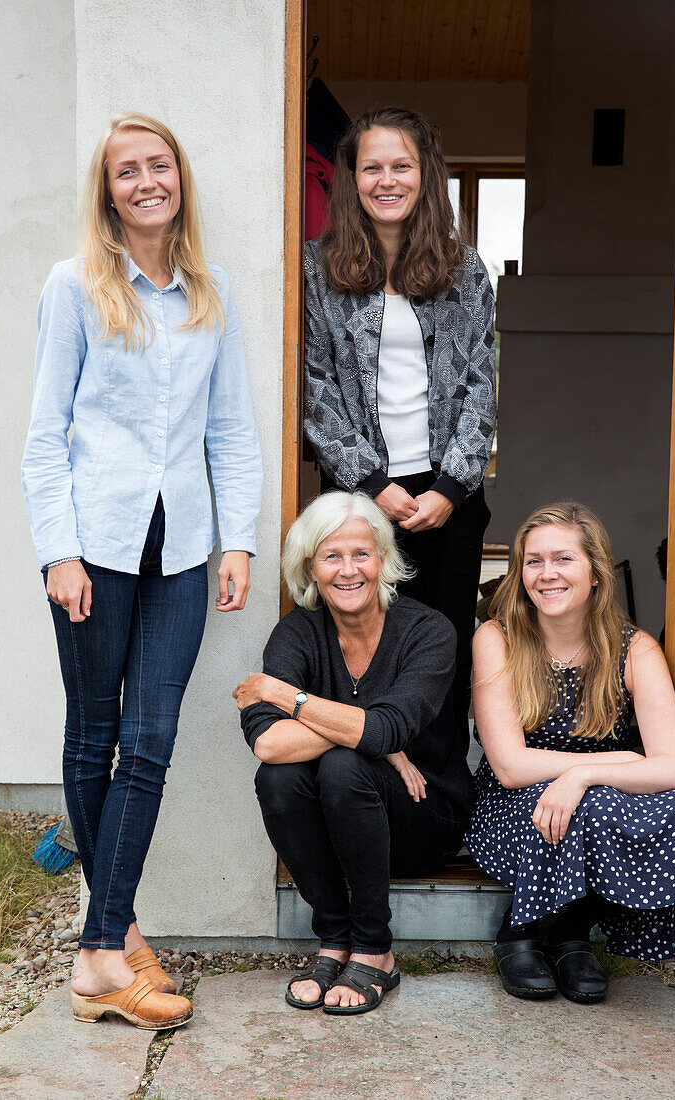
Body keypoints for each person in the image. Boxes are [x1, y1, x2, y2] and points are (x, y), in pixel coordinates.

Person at [21, 113, 262, 1028]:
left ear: (180, 180)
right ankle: (109, 949)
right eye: (128, 170)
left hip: (182, 550)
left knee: (150, 736)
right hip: (94, 546)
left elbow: (231, 429)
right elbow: (45, 436)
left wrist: (234, 539)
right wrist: (59, 552)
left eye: (159, 165)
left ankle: (102, 943)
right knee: (96, 735)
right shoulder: (74, 286)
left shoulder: (211, 291)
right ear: (109, 190)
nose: (146, 181)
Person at [233, 491, 473, 1015]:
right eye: (331, 556)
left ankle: (375, 949)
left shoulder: (429, 631)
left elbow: (387, 728)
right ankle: (334, 938)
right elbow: (269, 743)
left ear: (383, 560)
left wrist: (287, 697)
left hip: (423, 813)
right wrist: (374, 738)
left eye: (361, 554)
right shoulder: (296, 633)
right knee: (280, 778)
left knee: (343, 766)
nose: (349, 570)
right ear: (310, 569)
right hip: (337, 822)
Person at [303, 106, 496, 754]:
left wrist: (449, 488)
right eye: (372, 166)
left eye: (401, 166)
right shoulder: (316, 269)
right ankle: (368, 790)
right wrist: (372, 485)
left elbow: (479, 386)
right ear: (351, 177)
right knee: (361, 650)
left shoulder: (464, 271)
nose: (387, 180)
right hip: (360, 499)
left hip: (447, 499)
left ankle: (440, 799)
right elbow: (316, 390)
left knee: (442, 650)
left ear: (424, 175)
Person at [465, 502, 675, 1004]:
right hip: (513, 803)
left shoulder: (636, 649)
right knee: (585, 799)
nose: (547, 574)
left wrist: (585, 775)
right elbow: (509, 765)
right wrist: (616, 765)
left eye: (563, 559)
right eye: (533, 561)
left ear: (595, 572)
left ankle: (573, 933)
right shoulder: (495, 638)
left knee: (671, 805)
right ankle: (519, 931)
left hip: (596, 793)